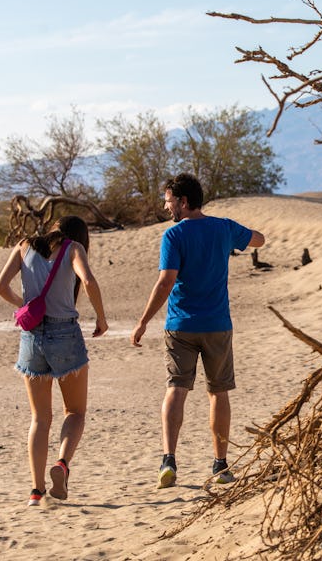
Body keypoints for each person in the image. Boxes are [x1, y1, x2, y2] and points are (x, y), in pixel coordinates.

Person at [131, 173, 265, 488]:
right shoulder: (223, 227)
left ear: (184, 202)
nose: (166, 207)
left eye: (168, 201)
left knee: (176, 388)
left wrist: (143, 320)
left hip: (180, 326)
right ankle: (220, 464)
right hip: (218, 325)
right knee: (218, 392)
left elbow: (165, 281)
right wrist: (236, 236)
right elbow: (259, 239)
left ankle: (169, 460)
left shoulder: (173, 236)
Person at [0, 215, 109, 506]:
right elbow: (88, 280)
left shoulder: (23, 246)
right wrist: (101, 318)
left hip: (31, 336)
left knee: (39, 417)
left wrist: (26, 306)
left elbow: (0, 286)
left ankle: (36, 490)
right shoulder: (73, 248)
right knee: (75, 412)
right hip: (65, 333)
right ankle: (62, 463)